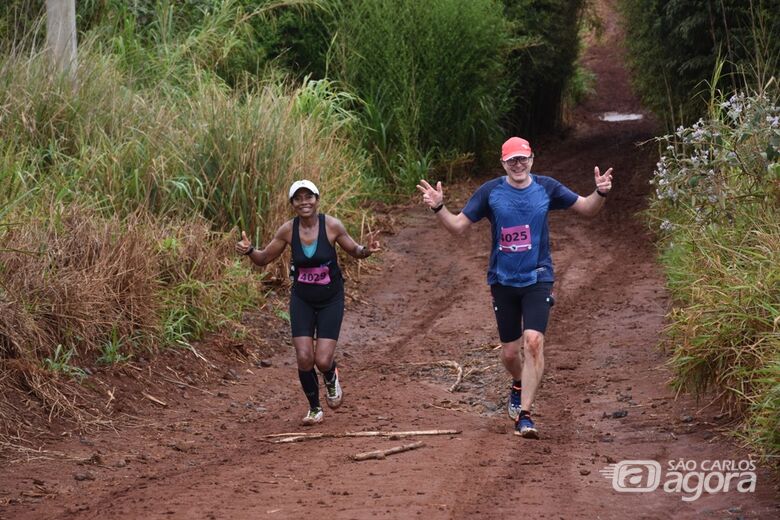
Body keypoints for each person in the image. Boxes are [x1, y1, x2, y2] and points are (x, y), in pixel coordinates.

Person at [416, 137, 613, 438]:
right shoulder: (490, 192)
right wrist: (439, 207)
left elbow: (587, 209)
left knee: (533, 342)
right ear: (503, 164)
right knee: (510, 354)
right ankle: (518, 382)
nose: (518, 165)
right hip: (503, 281)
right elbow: (457, 226)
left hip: (538, 277)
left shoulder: (546, 187)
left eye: (523, 159)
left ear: (532, 159)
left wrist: (599, 192)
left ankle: (525, 414)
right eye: (512, 160)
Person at [236, 180, 380, 425]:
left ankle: (331, 374)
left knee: (322, 360)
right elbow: (264, 259)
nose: (304, 202)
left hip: (331, 299)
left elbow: (354, 250)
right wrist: (250, 251)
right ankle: (315, 408)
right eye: (298, 198)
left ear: (317, 199)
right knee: (304, 357)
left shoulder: (332, 225)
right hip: (302, 299)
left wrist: (368, 249)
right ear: (292, 204)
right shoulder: (287, 230)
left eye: (309, 197)